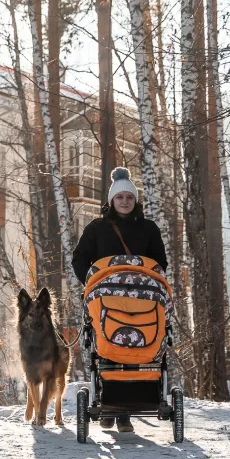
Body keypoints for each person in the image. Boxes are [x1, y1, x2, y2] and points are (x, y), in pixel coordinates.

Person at [70, 167, 168, 433]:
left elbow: (160, 263)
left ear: (135, 200)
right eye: (120, 197)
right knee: (108, 345)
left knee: (136, 346)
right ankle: (108, 403)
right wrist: (91, 284)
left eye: (129, 197)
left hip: (142, 300)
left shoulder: (148, 229)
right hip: (106, 298)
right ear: (111, 200)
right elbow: (79, 259)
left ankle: (125, 412)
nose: (125, 201)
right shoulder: (97, 228)